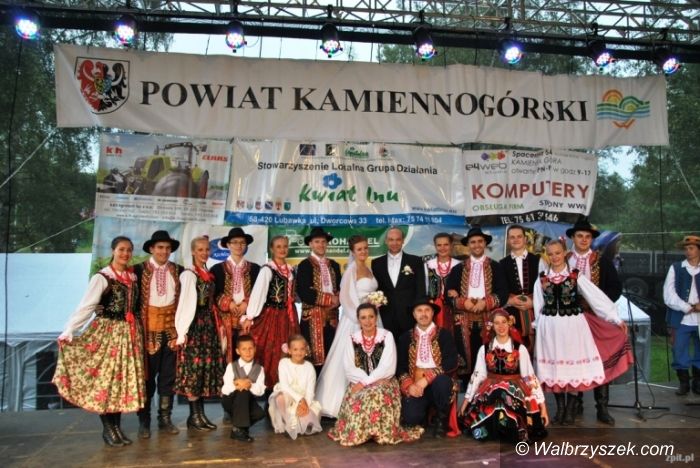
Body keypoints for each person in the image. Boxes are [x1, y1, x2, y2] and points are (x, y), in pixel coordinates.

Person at [53, 236, 145, 447]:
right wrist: (70, 329)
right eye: (121, 249)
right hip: (108, 333)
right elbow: (87, 305)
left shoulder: (132, 277)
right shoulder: (102, 277)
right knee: (106, 381)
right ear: (113, 251)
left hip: (128, 335)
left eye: (129, 250)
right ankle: (108, 429)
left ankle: (117, 428)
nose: (125, 254)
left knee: (120, 381)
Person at [533, 239, 632, 426]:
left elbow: (596, 297)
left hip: (573, 327)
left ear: (564, 253)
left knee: (571, 368)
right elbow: (538, 304)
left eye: (558, 253)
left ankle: (570, 410)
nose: (554, 257)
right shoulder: (542, 278)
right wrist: (538, 327)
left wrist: (615, 318)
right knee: (554, 368)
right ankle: (560, 409)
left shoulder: (575, 275)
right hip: (550, 328)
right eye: (550, 254)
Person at [328, 303, 423, 446]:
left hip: (384, 382)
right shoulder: (352, 338)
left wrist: (366, 382)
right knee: (361, 397)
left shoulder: (386, 336)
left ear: (376, 317)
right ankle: (362, 433)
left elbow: (388, 367)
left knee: (376, 394)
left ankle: (379, 433)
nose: (367, 321)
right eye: (363, 318)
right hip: (358, 382)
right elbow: (349, 368)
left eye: (371, 317)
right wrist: (366, 382)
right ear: (358, 320)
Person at [566, 216, 623, 425]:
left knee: (601, 360)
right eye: (579, 236)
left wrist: (599, 304)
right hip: (571, 319)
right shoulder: (564, 260)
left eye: (587, 237)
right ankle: (576, 404)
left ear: (591, 239)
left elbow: (616, 288)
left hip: (597, 319)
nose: (583, 240)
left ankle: (602, 407)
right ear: (573, 238)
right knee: (574, 360)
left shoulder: (602, 261)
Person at [460, 308, 548, 443]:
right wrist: (466, 402)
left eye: (503, 322)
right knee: (496, 392)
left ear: (509, 323)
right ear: (492, 326)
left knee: (502, 391)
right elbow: (477, 376)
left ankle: (509, 428)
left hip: (514, 390)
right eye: (497, 323)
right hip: (490, 390)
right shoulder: (484, 349)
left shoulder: (520, 349)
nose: (501, 326)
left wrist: (542, 406)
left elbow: (530, 377)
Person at [316, 234, 380, 417]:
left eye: (365, 248)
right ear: (353, 251)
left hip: (372, 318)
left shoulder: (368, 268)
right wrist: (360, 320)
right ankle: (339, 404)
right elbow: (345, 298)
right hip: (354, 320)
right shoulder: (351, 270)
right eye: (359, 249)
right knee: (349, 358)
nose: (363, 251)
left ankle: (367, 401)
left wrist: (376, 303)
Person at [133, 230, 183, 439]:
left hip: (171, 332)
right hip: (147, 332)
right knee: (146, 379)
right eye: (160, 247)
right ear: (152, 249)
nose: (164, 251)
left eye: (167, 248)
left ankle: (165, 419)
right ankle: (144, 421)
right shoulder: (137, 271)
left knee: (168, 377)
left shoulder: (179, 271)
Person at [174, 235, 225, 431]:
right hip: (195, 325)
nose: (204, 253)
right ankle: (194, 415)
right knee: (193, 371)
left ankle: (199, 415)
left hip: (208, 325)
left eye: (206, 249)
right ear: (193, 251)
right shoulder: (189, 274)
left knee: (203, 369)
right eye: (200, 250)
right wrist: (182, 332)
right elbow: (185, 304)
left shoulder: (206, 273)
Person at [445, 225, 508, 383]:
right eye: (473, 242)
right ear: (468, 244)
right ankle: (468, 383)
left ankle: (489, 382)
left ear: (485, 243)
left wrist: (485, 303)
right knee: (467, 353)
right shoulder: (457, 269)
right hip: (464, 319)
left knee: (488, 350)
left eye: (480, 241)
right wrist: (463, 302)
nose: (477, 245)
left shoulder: (496, 267)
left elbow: (503, 293)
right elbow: (448, 294)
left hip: (488, 317)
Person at [240, 235, 298, 389]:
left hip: (288, 316)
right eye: (278, 246)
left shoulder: (291, 270)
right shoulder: (268, 269)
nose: (282, 249)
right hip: (272, 315)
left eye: (285, 246)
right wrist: (250, 316)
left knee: (287, 350)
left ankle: (283, 388)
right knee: (270, 351)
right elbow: (258, 293)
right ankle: (267, 389)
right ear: (272, 249)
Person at [397, 298, 459, 438]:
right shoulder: (405, 338)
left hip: (438, 382)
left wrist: (427, 379)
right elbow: (400, 366)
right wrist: (409, 385)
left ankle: (441, 419)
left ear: (432, 313)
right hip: (415, 383)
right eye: (419, 310)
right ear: (414, 314)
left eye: (427, 310)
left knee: (442, 382)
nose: (423, 314)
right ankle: (423, 415)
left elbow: (451, 362)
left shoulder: (444, 335)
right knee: (411, 417)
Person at [211, 227, 260, 364]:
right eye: (235, 242)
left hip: (248, 319)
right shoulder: (217, 269)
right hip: (225, 320)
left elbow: (259, 292)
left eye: (242, 242)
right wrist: (229, 303)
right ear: (228, 245)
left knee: (247, 353)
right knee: (225, 354)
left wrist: (246, 304)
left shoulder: (255, 269)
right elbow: (213, 293)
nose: (239, 246)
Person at [296, 227, 342, 371]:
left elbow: (339, 287)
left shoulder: (334, 265)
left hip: (332, 317)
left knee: (332, 353)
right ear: (310, 244)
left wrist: (338, 298)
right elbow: (304, 292)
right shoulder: (304, 265)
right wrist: (330, 299)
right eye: (317, 242)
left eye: (323, 242)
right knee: (313, 356)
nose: (321, 245)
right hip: (312, 318)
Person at [372, 226, 426, 339]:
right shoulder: (376, 263)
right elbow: (376, 289)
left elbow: (420, 289)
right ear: (386, 241)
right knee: (388, 347)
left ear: (403, 241)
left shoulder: (415, 261)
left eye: (398, 239)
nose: (394, 243)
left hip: (409, 316)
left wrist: (418, 313)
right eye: (391, 239)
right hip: (385, 315)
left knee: (409, 347)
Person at [663, 234, 700, 396]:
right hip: (681, 318)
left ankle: (698, 382)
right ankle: (684, 382)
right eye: (686, 248)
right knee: (678, 350)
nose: (688, 251)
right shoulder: (676, 268)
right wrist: (686, 307)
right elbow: (668, 293)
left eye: (691, 248)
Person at [268, 335, 323, 439]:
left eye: (302, 349)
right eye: (295, 349)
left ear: (306, 350)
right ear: (289, 351)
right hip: (289, 395)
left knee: (308, 422)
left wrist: (305, 405)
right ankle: (288, 424)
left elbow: (310, 391)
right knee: (279, 397)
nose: (299, 352)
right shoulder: (283, 363)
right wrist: (300, 399)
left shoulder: (309, 367)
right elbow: (284, 386)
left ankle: (299, 422)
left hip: (304, 400)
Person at [499, 225, 540, 354]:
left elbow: (545, 287)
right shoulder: (501, 264)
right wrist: (510, 301)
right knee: (515, 348)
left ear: (525, 239)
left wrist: (533, 302)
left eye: (519, 236)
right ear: (508, 240)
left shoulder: (538, 261)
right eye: (512, 237)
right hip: (512, 313)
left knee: (538, 348)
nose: (516, 240)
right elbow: (499, 289)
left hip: (535, 311)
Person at [221, 335, 266, 442]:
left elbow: (260, 390)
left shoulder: (259, 369)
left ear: (255, 349)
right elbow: (225, 389)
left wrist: (250, 385)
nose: (248, 352)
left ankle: (238, 429)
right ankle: (240, 431)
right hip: (230, 401)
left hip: (247, 402)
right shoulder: (231, 366)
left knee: (259, 413)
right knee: (243, 392)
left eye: (250, 348)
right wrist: (237, 384)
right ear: (238, 351)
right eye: (244, 349)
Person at [425, 232, 460, 333]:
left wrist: (457, 293)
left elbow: (464, 288)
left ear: (451, 245)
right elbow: (424, 287)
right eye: (439, 245)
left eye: (446, 244)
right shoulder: (427, 265)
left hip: (454, 309)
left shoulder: (459, 265)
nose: (442, 248)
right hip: (433, 309)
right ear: (435, 246)